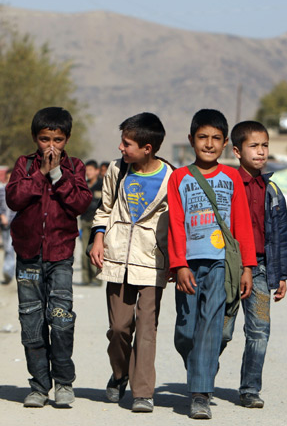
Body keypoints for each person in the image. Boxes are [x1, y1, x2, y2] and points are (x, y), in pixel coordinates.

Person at [167, 109, 257, 419]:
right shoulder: (179, 178)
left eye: (216, 138)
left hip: (223, 263)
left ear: (225, 142)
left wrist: (247, 266)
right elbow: (176, 223)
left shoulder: (232, 177)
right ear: (191, 140)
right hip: (189, 264)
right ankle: (198, 367)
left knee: (210, 328)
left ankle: (200, 394)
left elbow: (242, 224)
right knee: (186, 331)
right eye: (203, 137)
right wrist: (178, 265)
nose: (209, 143)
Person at [5, 107, 92, 408]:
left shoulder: (75, 167)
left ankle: (64, 381)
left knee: (61, 318)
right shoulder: (24, 165)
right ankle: (39, 385)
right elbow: (14, 198)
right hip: (28, 256)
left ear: (66, 139)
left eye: (57, 139)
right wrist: (40, 173)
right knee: (32, 321)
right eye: (44, 139)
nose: (51, 146)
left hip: (60, 255)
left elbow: (81, 202)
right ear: (35, 139)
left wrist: (56, 175)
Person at [90, 112, 173, 413]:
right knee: (119, 328)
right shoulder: (116, 170)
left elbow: (176, 223)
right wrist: (98, 239)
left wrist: (177, 261)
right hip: (116, 259)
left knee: (147, 328)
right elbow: (104, 208)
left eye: (127, 144)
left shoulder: (170, 177)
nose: (120, 148)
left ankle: (143, 392)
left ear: (147, 148)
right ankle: (120, 373)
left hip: (152, 262)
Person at [221, 120, 287, 408]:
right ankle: (202, 379)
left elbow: (282, 235)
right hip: (229, 267)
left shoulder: (272, 190)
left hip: (261, 268)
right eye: (254, 146)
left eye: (265, 146)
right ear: (237, 151)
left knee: (259, 330)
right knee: (222, 330)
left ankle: (250, 389)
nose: (261, 151)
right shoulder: (226, 184)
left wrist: (282, 273)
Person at [80, 159, 103, 285]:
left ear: (97, 171)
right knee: (84, 251)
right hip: (85, 221)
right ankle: (86, 278)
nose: (88, 173)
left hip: (97, 223)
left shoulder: (102, 185)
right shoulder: (83, 185)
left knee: (96, 250)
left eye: (90, 170)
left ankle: (96, 278)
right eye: (86, 170)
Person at [0, 168, 16, 284]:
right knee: (7, 248)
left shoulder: (20, 191)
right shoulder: (2, 190)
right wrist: (2, 216)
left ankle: (8, 271)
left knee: (11, 248)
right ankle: (9, 271)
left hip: (17, 224)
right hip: (5, 224)